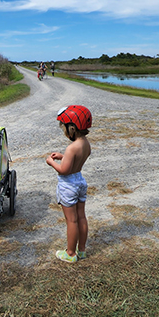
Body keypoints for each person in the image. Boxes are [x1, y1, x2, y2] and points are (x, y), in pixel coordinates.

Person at [46, 105, 92, 263]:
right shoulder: (85, 144)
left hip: (69, 185)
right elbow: (75, 161)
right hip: (80, 181)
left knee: (71, 220)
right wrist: (63, 156)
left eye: (64, 128)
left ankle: (70, 253)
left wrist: (51, 162)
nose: (64, 132)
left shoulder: (71, 147)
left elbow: (64, 170)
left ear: (72, 128)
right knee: (81, 217)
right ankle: (82, 250)